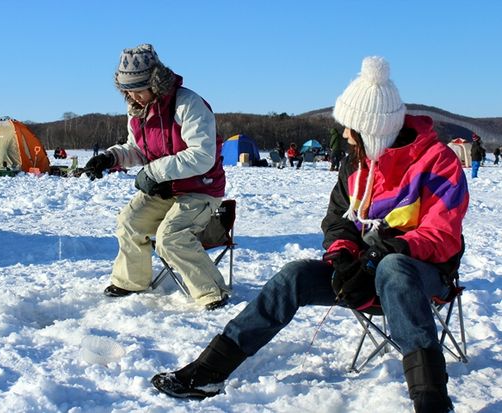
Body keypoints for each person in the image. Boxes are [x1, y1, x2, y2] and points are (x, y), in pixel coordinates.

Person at [152, 56, 469, 413]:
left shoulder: (437, 161)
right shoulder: (355, 163)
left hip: (424, 276)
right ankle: (208, 371)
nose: (344, 136)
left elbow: (443, 235)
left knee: (394, 269)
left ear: (373, 132)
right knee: (294, 276)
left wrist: (387, 251)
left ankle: (432, 402)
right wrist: (344, 254)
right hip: (364, 273)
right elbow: (337, 220)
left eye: (351, 129)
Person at [84, 43, 229, 310]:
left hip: (201, 190)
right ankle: (131, 281)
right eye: (127, 91)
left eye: (138, 90)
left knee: (170, 237)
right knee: (129, 221)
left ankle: (213, 291)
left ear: (155, 83)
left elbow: (202, 156)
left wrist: (154, 171)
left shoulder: (189, 104)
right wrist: (111, 157)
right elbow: (138, 149)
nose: (132, 97)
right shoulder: (137, 110)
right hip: (164, 189)